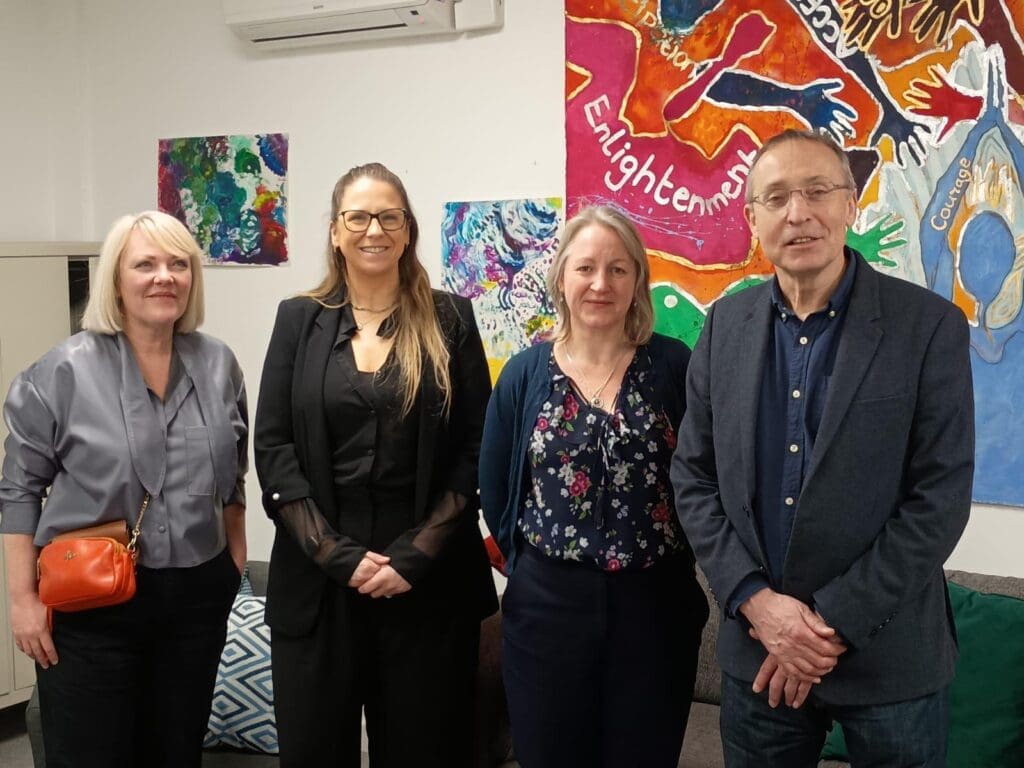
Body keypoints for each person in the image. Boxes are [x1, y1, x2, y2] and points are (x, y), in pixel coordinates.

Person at [671, 129, 974, 767]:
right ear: (752, 219)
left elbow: (939, 499)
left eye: (817, 191)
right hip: (757, 653)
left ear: (850, 204)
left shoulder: (928, 326)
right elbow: (693, 480)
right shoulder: (724, 326)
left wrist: (823, 626)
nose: (798, 213)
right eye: (776, 197)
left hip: (889, 660)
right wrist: (759, 606)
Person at [254, 162, 498, 768]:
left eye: (390, 217)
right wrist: (333, 553)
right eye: (358, 217)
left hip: (428, 586)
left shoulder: (450, 319)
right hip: (317, 585)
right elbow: (274, 448)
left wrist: (415, 556)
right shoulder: (297, 320)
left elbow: (477, 449)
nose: (374, 230)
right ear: (335, 231)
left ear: (407, 230)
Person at [0, 211, 248, 768]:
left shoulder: (219, 365)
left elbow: (234, 475)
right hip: (91, 603)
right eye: (145, 264)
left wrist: (234, 558)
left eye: (178, 264)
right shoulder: (60, 372)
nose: (164, 276)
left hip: (195, 600)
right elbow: (17, 492)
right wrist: (22, 601)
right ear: (115, 279)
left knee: (177, 751)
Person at [480, 205, 709, 768]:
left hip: (655, 609)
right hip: (546, 612)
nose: (600, 284)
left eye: (617, 269)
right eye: (585, 268)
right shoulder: (524, 374)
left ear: (637, 281)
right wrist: (532, 571)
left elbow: (705, 476)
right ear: (562, 277)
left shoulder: (673, 366)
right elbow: (496, 486)